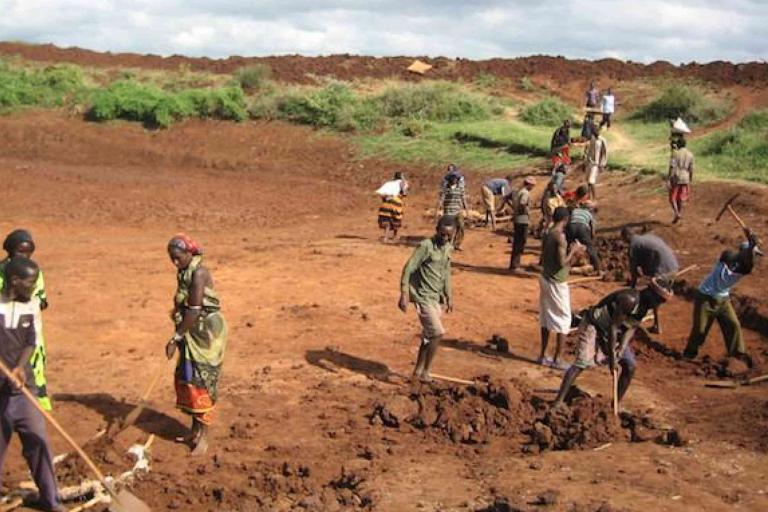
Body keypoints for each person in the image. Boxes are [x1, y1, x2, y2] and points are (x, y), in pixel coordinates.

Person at [0, 258, 63, 512]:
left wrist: (18, 368)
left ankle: (51, 501)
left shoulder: (32, 305)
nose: (35, 287)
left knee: (38, 440)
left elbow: (30, 341)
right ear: (15, 281)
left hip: (23, 389)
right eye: (30, 282)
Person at [553, 279, 673, 408]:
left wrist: (621, 347)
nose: (658, 306)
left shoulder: (646, 307)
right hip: (594, 325)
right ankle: (558, 402)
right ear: (650, 293)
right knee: (581, 363)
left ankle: (614, 405)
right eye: (658, 301)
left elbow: (632, 328)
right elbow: (613, 328)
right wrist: (611, 359)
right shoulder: (629, 300)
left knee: (630, 366)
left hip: (614, 332)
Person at [166, 234, 228, 456]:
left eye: (178, 257)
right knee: (188, 378)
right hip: (191, 330)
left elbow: (194, 309)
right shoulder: (183, 271)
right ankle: (194, 431)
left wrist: (176, 337)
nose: (175, 262)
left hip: (206, 334)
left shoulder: (199, 273)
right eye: (172, 258)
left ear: (189, 253)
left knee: (202, 383)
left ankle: (205, 436)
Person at [683, 233, 759, 366]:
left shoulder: (746, 267)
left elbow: (748, 262)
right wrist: (750, 248)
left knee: (733, 325)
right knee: (700, 329)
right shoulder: (728, 255)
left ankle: (737, 355)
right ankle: (689, 353)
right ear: (744, 251)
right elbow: (741, 257)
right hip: (705, 296)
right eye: (754, 254)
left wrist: (751, 247)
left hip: (723, 299)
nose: (755, 258)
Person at [399, 217, 455, 382]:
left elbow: (446, 273)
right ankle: (426, 372)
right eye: (442, 234)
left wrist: (449, 295)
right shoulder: (426, 247)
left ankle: (417, 372)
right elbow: (408, 268)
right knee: (437, 333)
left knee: (428, 336)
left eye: (448, 236)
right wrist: (404, 293)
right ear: (437, 229)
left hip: (436, 299)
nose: (445, 238)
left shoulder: (447, 248)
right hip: (423, 297)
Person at [0, 230, 51, 411]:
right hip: (5, 326)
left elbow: (43, 300)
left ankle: (39, 402)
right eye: (21, 251)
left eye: (29, 252)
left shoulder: (33, 271)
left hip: (27, 322)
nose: (25, 256)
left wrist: (30, 304)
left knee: (35, 361)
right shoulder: (2, 271)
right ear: (10, 250)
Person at [539, 207, 584, 368]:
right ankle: (558, 359)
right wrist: (574, 251)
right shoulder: (560, 237)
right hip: (556, 282)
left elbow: (544, 257)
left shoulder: (548, 233)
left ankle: (543, 355)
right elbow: (562, 263)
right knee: (564, 320)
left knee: (545, 318)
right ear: (566, 219)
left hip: (545, 277)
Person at [621, 228, 679, 334]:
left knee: (650, 298)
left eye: (623, 239)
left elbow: (633, 271)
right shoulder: (648, 237)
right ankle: (656, 325)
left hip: (662, 271)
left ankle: (631, 325)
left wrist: (632, 289)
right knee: (656, 297)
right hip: (673, 266)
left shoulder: (633, 246)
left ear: (626, 237)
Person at [566, 198, 601, 274]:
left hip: (571, 226)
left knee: (567, 246)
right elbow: (592, 228)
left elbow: (568, 221)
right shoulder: (589, 214)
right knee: (590, 248)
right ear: (590, 209)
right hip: (582, 228)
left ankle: (563, 264)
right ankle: (598, 268)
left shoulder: (575, 210)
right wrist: (591, 239)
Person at [510, 177, 536, 271]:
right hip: (522, 219)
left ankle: (515, 264)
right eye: (532, 185)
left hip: (518, 219)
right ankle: (515, 265)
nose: (533, 187)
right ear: (528, 184)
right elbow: (522, 204)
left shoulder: (519, 191)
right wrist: (526, 212)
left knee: (518, 241)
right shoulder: (525, 192)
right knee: (520, 241)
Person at [437, 172, 467, 250]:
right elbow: (441, 200)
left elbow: (463, 199)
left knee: (461, 227)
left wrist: (467, 210)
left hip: (457, 211)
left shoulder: (460, 188)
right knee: (447, 229)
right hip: (448, 212)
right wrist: (438, 209)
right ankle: (446, 244)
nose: (454, 180)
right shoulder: (445, 189)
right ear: (450, 179)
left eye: (456, 178)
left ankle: (457, 244)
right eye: (453, 178)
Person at [378, 172, 409, 243]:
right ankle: (394, 237)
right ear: (401, 177)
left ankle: (385, 237)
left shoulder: (389, 183)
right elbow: (404, 194)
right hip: (396, 203)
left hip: (386, 203)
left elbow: (383, 195)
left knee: (387, 220)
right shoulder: (403, 183)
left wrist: (386, 199)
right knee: (396, 220)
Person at [667, 138, 694, 224]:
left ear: (678, 145)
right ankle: (679, 213)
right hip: (685, 177)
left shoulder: (675, 154)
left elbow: (672, 167)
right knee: (680, 197)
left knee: (672, 198)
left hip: (676, 177)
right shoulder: (690, 154)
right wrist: (690, 178)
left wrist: (668, 178)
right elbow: (691, 168)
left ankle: (677, 213)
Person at [585, 128, 608, 199]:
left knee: (591, 181)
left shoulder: (602, 140)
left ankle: (594, 198)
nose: (595, 133)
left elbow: (605, 153)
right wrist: (586, 161)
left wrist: (602, 164)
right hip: (590, 162)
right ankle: (589, 196)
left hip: (596, 164)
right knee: (588, 181)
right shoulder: (592, 139)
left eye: (596, 132)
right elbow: (589, 151)